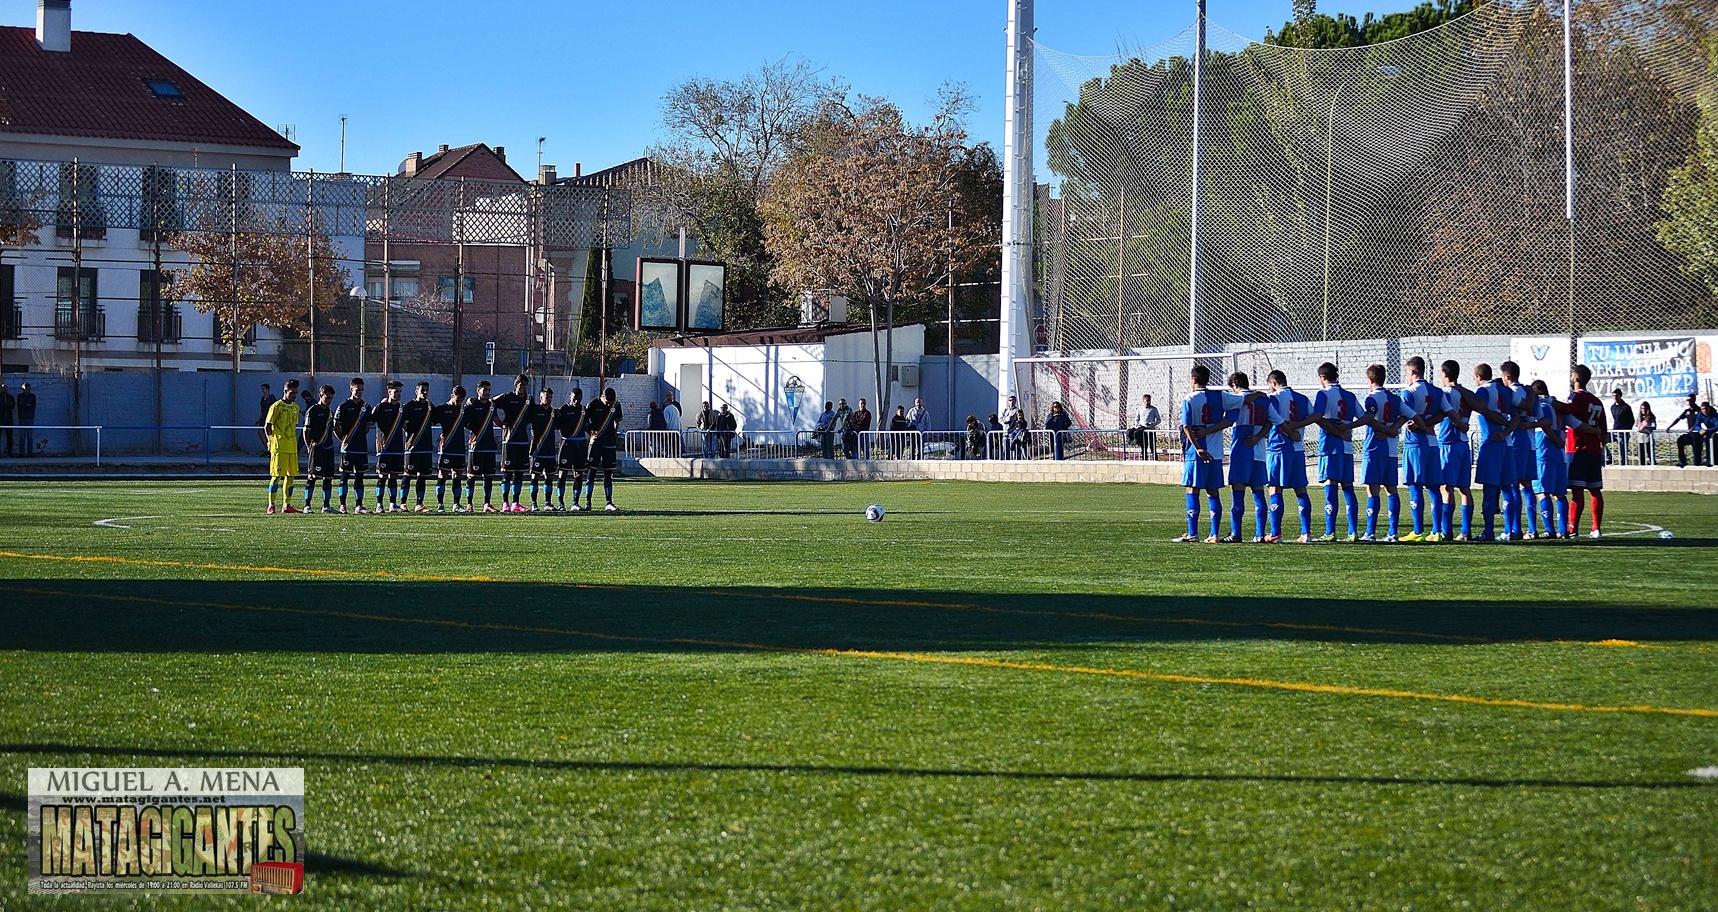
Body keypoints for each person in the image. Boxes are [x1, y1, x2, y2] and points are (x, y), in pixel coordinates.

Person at [1173, 364, 1237, 543]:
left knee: (1192, 489)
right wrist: (1256, 395)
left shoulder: (1189, 399)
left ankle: (1193, 533)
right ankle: (1214, 534)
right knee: (1212, 492)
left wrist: (1197, 447)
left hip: (1196, 454)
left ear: (1193, 380)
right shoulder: (1220, 396)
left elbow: (1186, 426)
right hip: (1216, 453)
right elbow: (1241, 401)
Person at [1356, 365, 1410, 542]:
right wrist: (1393, 429)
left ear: (1370, 380)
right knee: (1391, 490)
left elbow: (1369, 419)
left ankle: (1370, 533)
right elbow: (1408, 415)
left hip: (1374, 448)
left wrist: (1349, 427)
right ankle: (1392, 532)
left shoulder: (1371, 397)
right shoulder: (1394, 398)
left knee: (1372, 491)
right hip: (1392, 450)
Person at [1263, 370, 1317, 543]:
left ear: (1272, 383)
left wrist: (1289, 431)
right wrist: (1298, 426)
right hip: (1297, 450)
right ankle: (1306, 533)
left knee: (1275, 488)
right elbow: (1315, 415)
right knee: (1300, 490)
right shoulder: (1302, 398)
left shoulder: (1273, 398)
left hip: (1278, 449)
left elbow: (1275, 422)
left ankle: (1275, 534)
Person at [1311, 362, 1361, 541]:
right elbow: (1364, 417)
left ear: (1322, 377)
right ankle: (1352, 532)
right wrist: (1348, 427)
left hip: (1329, 448)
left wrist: (1337, 431)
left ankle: (1330, 532)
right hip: (1347, 449)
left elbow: (1317, 417)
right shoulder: (1350, 395)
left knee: (1330, 487)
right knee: (1348, 488)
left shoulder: (1323, 394)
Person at [1398, 357, 1445, 542]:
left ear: (1412, 372)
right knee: (1434, 488)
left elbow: (1410, 420)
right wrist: (1427, 424)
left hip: (1415, 444)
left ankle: (1418, 531)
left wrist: (1419, 425)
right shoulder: (1437, 391)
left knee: (1415, 486)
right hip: (1433, 443)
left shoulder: (1408, 393)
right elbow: (1444, 413)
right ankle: (1437, 531)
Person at [1437, 360, 1484, 541]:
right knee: (1464, 489)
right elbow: (1479, 404)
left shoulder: (1446, 393)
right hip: (1464, 445)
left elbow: (1443, 413)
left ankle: (1446, 531)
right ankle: (1465, 531)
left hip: (1448, 442)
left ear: (1444, 374)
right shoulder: (1465, 394)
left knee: (1446, 488)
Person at [1469, 364, 1517, 541]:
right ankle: (1509, 530)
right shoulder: (1506, 391)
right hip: (1507, 443)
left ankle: (1488, 531)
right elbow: (1517, 416)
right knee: (1508, 488)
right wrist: (1506, 433)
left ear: (1478, 376)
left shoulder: (1483, 391)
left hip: (1490, 442)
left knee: (1489, 489)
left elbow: (1481, 408)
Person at [1223, 372, 1271, 543]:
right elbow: (1271, 420)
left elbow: (1228, 420)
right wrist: (1259, 437)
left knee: (1238, 493)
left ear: (1235, 385)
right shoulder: (1264, 400)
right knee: (1259, 494)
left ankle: (1236, 534)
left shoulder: (1235, 399)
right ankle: (1259, 534)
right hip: (1259, 453)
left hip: (1240, 452)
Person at [1524, 380, 1574, 539]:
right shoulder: (1558, 409)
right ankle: (1563, 530)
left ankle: (1549, 530)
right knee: (1559, 494)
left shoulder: (1542, 407)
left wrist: (1555, 439)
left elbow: (1546, 426)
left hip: (1545, 454)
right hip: (1560, 456)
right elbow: (1576, 424)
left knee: (1542, 492)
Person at [1564, 365, 1608, 538]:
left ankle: (1573, 529)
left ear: (1576, 378)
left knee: (1577, 491)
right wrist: (1597, 436)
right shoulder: (1597, 401)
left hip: (1577, 448)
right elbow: (1603, 432)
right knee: (1595, 490)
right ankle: (1596, 528)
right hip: (1594, 451)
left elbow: (1568, 412)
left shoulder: (1575, 397)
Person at [1500, 361, 1538, 538]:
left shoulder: (1511, 392)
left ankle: (1514, 529)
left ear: (1507, 376)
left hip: (1516, 441)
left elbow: (1520, 410)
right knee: (1527, 485)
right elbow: (1536, 414)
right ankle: (1532, 529)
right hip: (1531, 442)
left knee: (1512, 484)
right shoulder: (1530, 392)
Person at [333, 377, 374, 514]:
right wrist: (343, 440)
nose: (360, 392)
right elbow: (336, 426)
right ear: (351, 389)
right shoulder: (343, 406)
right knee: (344, 476)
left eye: (362, 390)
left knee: (360, 477)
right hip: (348, 448)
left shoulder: (366, 407)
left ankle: (359, 505)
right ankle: (342, 505)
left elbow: (367, 427)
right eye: (357, 390)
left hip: (361, 447)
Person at [493, 374, 533, 512]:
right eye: (521, 384)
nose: (523, 387)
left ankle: (516, 502)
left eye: (525, 385)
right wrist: (499, 423)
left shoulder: (529, 400)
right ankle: (505, 503)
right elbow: (491, 404)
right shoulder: (507, 398)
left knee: (520, 474)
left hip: (522, 441)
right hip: (509, 440)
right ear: (515, 385)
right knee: (507, 474)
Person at [263, 378, 302, 514]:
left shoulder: (296, 408)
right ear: (285, 391)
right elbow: (267, 426)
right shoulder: (276, 406)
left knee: (291, 476)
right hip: (279, 447)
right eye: (292, 393)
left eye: (296, 393)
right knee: (276, 476)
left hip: (292, 447)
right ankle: (271, 504)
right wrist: (270, 440)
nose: (294, 396)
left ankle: (286, 505)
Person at [583, 387, 623, 511]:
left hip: (609, 444)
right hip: (595, 443)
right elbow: (585, 423)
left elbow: (617, 421)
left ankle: (609, 502)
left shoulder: (616, 405)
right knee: (591, 472)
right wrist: (591, 433)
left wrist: (613, 433)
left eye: (611, 402)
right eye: (607, 401)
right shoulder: (593, 404)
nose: (609, 404)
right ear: (603, 397)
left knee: (608, 473)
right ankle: (588, 502)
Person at [371, 380, 407, 513]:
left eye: (400, 392)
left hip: (397, 448)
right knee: (382, 476)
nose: (398, 394)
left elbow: (406, 426)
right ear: (389, 391)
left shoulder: (401, 409)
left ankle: (393, 504)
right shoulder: (381, 407)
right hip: (384, 448)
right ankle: (379, 504)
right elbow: (369, 422)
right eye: (396, 391)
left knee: (394, 477)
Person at [465, 380, 501, 513]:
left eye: (489, 390)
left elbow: (497, 420)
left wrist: (505, 426)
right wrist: (473, 430)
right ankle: (469, 504)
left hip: (489, 445)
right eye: (484, 390)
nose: (487, 392)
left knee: (488, 476)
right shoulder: (472, 404)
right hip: (476, 445)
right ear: (478, 390)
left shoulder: (492, 405)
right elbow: (465, 421)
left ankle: (487, 504)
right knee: (472, 476)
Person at [302, 385, 338, 513]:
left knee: (328, 478)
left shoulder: (330, 411)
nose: (329, 401)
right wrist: (309, 447)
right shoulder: (312, 411)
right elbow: (306, 431)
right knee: (312, 477)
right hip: (316, 448)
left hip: (328, 448)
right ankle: (307, 505)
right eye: (327, 398)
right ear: (320, 395)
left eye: (331, 398)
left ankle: (326, 506)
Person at [433, 386, 469, 513]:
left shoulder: (463, 411)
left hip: (459, 448)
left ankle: (456, 504)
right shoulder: (442, 409)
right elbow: (430, 420)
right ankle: (440, 505)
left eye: (462, 400)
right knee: (443, 475)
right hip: (446, 449)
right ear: (452, 395)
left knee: (458, 476)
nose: (460, 402)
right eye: (458, 399)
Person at [402, 381, 436, 513]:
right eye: (422, 390)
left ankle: (419, 504)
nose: (425, 392)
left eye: (427, 390)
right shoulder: (409, 406)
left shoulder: (430, 406)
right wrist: (410, 436)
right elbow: (403, 424)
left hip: (426, 447)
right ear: (416, 391)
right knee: (408, 475)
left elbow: (435, 419)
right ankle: (403, 503)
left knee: (422, 476)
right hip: (412, 447)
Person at [555, 388, 588, 511]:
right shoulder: (563, 410)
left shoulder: (584, 411)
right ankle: (561, 503)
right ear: (570, 397)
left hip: (580, 445)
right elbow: (555, 424)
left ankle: (575, 502)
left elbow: (587, 425)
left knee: (578, 474)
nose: (577, 401)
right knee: (562, 473)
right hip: (567, 444)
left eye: (579, 399)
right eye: (575, 398)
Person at [528, 387, 558, 510]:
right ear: (541, 397)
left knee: (549, 476)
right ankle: (534, 503)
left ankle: (547, 503)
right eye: (547, 397)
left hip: (550, 450)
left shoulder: (555, 412)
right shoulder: (534, 410)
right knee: (535, 476)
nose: (549, 399)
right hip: (537, 449)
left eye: (551, 397)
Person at [1671, 395, 1705, 467]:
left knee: (1696, 452)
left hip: (1697, 434)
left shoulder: (1699, 410)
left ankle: (1697, 465)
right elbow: (1678, 418)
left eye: (1690, 400)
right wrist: (1669, 426)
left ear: (1694, 400)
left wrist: (1693, 428)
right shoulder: (1687, 411)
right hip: (1690, 434)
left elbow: (1698, 422)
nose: (1689, 402)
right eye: (1688, 400)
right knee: (1680, 440)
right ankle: (1682, 462)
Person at [1609, 390, 1635, 464]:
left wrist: (1626, 430)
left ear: (1620, 396)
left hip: (1623, 432)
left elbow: (1631, 420)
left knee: (1623, 450)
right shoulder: (1612, 407)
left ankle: (1624, 464)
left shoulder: (1626, 407)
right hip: (1615, 431)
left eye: (1616, 396)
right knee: (1602, 441)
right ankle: (1609, 457)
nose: (1615, 398)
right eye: (1613, 396)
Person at [1132, 394, 1161, 460]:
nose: (1148, 403)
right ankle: (1144, 459)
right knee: (1143, 446)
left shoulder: (1153, 409)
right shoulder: (1139, 409)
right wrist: (1137, 424)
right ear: (1143, 401)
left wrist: (1153, 424)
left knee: (1152, 446)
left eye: (1149, 401)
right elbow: (1137, 418)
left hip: (1151, 431)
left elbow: (1159, 420)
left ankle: (1155, 460)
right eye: (1146, 401)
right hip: (1142, 431)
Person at [15, 382, 35, 456]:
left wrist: (26, 406)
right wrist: (27, 405)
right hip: (22, 418)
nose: (26, 390)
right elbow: (20, 406)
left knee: (30, 437)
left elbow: (33, 406)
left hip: (30, 417)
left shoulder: (32, 396)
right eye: (24, 389)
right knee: (22, 437)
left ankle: (30, 453)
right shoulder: (19, 396)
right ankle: (22, 453)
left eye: (27, 389)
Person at [0, 381, 14, 457]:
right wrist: (5, 407)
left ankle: (10, 452)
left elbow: (12, 405)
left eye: (5, 388)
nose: (4, 389)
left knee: (9, 437)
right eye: (3, 388)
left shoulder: (10, 397)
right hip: (1, 419)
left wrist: (5, 407)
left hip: (8, 419)